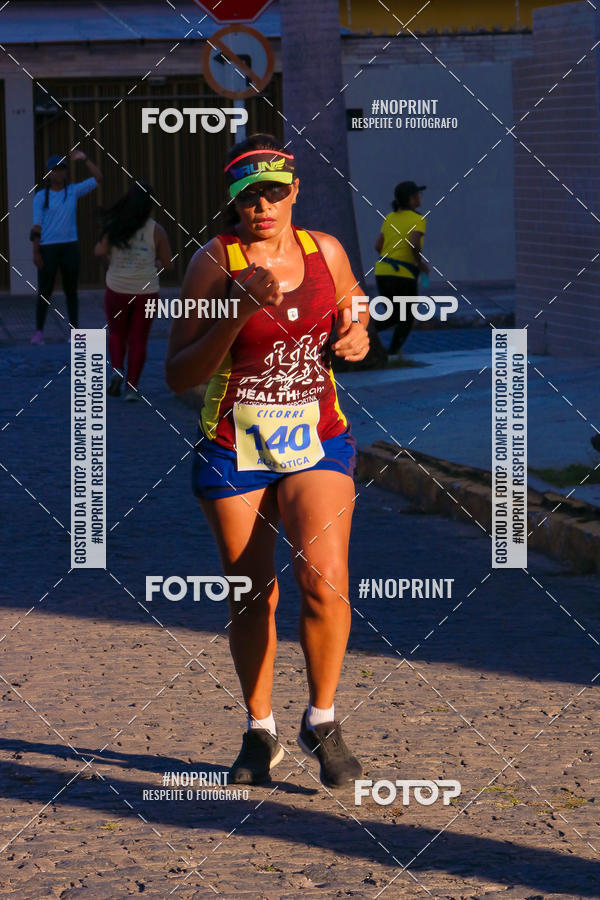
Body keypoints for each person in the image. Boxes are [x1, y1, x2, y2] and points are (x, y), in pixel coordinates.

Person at [166, 133, 370, 789]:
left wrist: (357, 334)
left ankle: (322, 720)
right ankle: (261, 730)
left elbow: (354, 308)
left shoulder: (325, 251)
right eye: (249, 196)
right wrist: (236, 313)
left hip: (318, 438)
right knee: (252, 595)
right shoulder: (213, 262)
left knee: (324, 580)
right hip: (236, 445)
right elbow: (177, 374)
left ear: (294, 192)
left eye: (274, 193)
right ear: (233, 200)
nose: (262, 207)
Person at [94, 182, 172, 401]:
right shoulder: (156, 230)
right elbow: (168, 264)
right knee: (139, 339)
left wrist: (109, 261)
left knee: (116, 333)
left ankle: (117, 370)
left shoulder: (115, 225)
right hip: (146, 291)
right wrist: (156, 262)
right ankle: (131, 388)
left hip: (116, 288)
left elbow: (99, 251)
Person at [30, 150, 102, 344]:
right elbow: (36, 226)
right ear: (49, 173)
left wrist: (85, 159)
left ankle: (74, 331)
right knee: (45, 291)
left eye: (62, 169)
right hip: (48, 247)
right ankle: (39, 332)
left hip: (70, 246)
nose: (59, 173)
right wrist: (36, 252)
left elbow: (98, 178)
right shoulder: (40, 197)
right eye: (55, 170)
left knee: (71, 291)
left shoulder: (72, 191)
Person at [374, 180, 430, 358]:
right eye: (417, 195)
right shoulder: (418, 219)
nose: (420, 197)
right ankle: (392, 354)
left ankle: (366, 332)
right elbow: (414, 244)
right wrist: (420, 264)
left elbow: (378, 246)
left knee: (393, 315)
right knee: (407, 316)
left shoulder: (390, 218)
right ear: (411, 199)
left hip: (382, 272)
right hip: (403, 275)